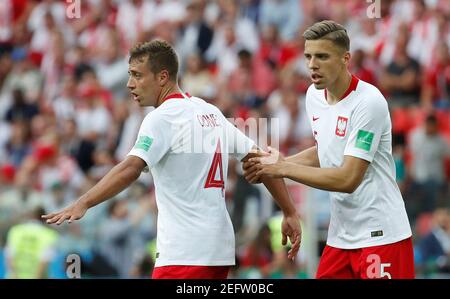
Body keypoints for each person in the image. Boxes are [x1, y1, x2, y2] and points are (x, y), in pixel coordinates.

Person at [42, 39, 301, 279]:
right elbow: (261, 159)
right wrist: (289, 211)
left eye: (137, 75)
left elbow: (131, 168)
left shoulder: (161, 118)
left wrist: (84, 202)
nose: (129, 84)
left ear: (162, 77)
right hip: (219, 249)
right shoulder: (209, 111)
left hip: (184, 253)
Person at [244, 20, 414, 279]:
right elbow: (325, 150)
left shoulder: (369, 102)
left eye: (322, 56)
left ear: (345, 58)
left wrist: (284, 168)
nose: (312, 64)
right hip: (341, 238)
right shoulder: (313, 96)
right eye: (308, 56)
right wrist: (278, 163)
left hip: (380, 236)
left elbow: (348, 178)